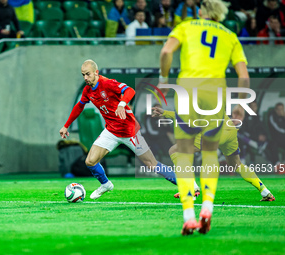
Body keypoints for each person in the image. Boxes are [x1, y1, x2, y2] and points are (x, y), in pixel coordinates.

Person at [159, 0, 249, 235]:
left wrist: (163, 78)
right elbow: (243, 75)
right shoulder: (230, 36)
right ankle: (207, 208)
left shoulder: (187, 26)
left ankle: (189, 216)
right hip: (214, 96)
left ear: (201, 11)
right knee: (210, 153)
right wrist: (240, 102)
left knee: (183, 152)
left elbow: (166, 51)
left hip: (187, 91)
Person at [60, 60, 177, 200]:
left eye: (88, 74)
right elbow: (79, 106)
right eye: (83, 75)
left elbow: (130, 91)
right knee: (90, 161)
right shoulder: (87, 90)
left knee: (152, 164)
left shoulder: (108, 83)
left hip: (130, 132)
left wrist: (122, 104)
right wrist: (66, 125)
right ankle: (106, 184)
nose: (85, 78)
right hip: (111, 131)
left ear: (96, 73)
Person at [151, 106, 276, 202]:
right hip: (229, 130)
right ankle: (265, 191)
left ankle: (191, 187)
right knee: (236, 164)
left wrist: (165, 113)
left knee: (174, 150)